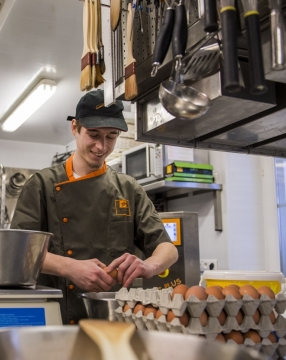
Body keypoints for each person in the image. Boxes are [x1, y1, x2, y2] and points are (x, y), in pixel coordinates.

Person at [10, 89, 178, 325]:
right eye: (93, 134)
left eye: (111, 136)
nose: (101, 146)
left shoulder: (128, 189)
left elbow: (168, 250)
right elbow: (18, 252)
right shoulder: (42, 185)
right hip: (55, 318)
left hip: (113, 318)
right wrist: (70, 268)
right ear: (75, 128)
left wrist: (149, 265)